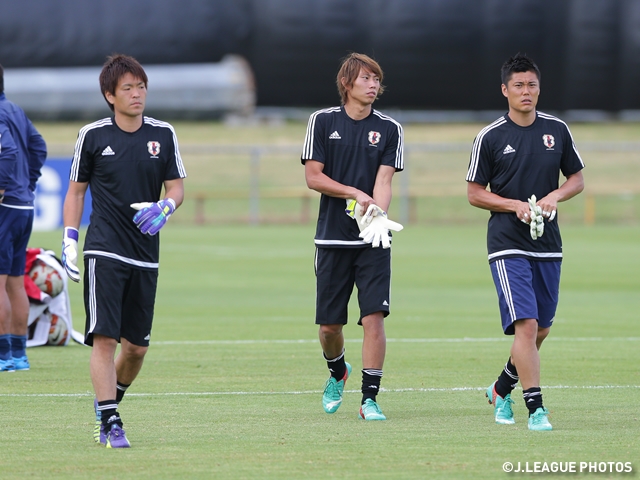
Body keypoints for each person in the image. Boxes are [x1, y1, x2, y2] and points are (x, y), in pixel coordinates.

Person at [61, 54, 186, 447]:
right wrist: (69, 238)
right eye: (128, 88)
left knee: (135, 349)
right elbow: (76, 192)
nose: (137, 94)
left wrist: (165, 207)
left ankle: (108, 405)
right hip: (104, 249)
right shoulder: (93, 136)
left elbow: (177, 188)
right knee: (105, 339)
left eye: (141, 86)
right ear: (109, 95)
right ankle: (111, 420)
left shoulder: (163, 134)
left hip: (146, 253)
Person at [466, 53, 585, 431]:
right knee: (527, 326)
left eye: (531, 84)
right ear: (505, 90)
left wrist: (555, 197)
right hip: (506, 243)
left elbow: (577, 180)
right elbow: (474, 193)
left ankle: (502, 387)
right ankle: (535, 408)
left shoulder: (557, 130)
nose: (526, 91)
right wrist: (512, 204)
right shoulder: (490, 136)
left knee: (542, 329)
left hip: (548, 242)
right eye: (518, 85)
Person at [301, 53, 404, 421]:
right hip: (331, 239)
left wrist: (378, 211)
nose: (373, 85)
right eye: (366, 79)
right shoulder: (322, 121)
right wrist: (353, 193)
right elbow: (314, 176)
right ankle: (336, 371)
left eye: (377, 79)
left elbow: (385, 181)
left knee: (374, 318)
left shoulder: (390, 128)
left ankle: (370, 399)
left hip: (373, 240)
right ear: (347, 84)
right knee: (330, 327)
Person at [0, 63, 48, 372]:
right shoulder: (14, 109)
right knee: (15, 282)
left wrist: (3, 186)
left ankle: (4, 355)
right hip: (23, 207)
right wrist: (27, 185)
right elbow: (38, 146)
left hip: (6, 208)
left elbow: (7, 152)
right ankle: (18, 355)